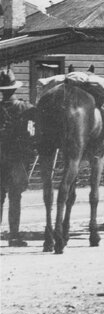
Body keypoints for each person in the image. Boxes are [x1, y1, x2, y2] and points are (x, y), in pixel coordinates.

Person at [0, 70, 33, 247]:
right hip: (17, 158)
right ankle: (13, 236)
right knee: (15, 196)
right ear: (13, 89)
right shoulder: (24, 106)